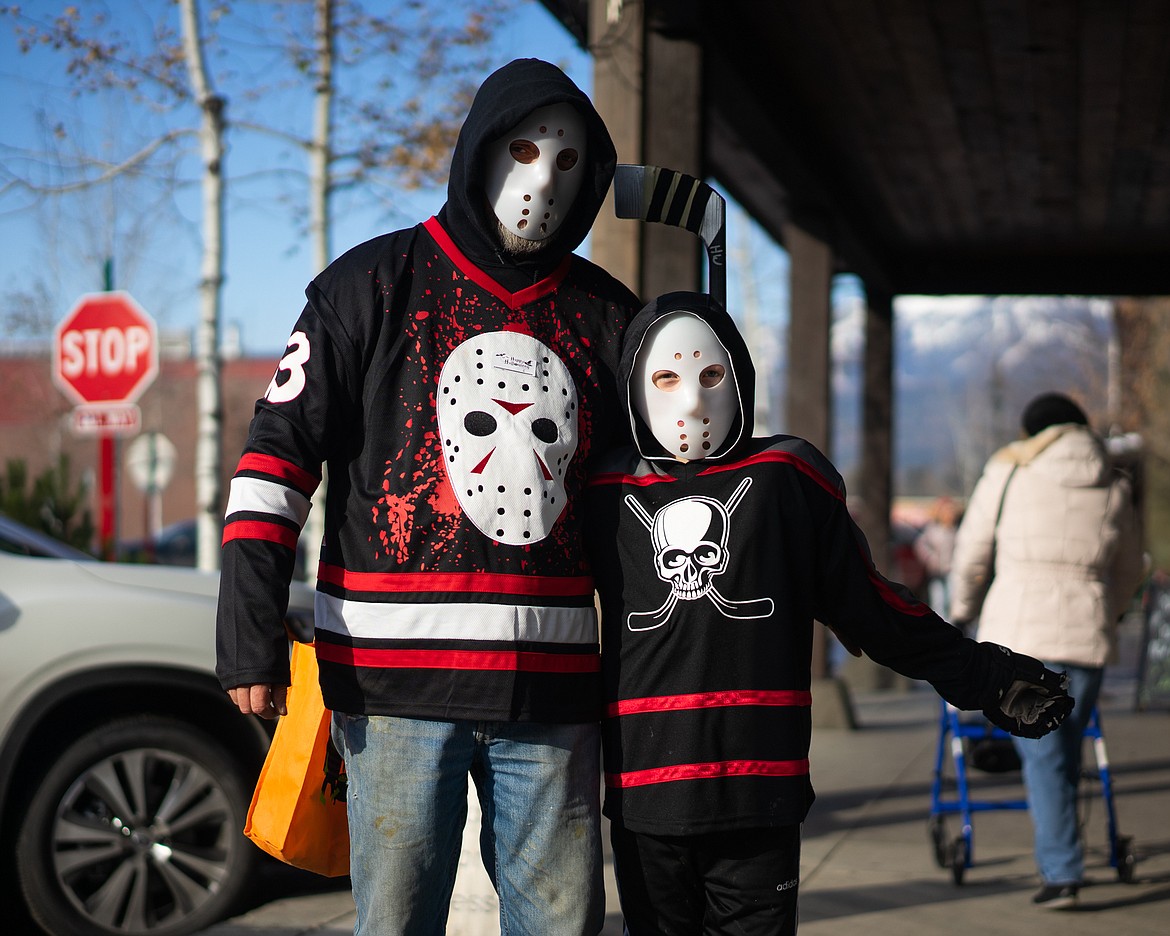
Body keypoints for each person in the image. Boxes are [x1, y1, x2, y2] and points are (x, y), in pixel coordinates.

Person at [215, 58, 641, 936]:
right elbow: (275, 461)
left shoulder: (609, 317)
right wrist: (247, 638)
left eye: (569, 164)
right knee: (396, 922)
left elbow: (645, 512)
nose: (542, 180)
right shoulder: (367, 286)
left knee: (563, 928)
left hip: (554, 695)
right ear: (481, 149)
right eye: (524, 150)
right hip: (394, 690)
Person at [583, 292, 1073, 935]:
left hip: (760, 790)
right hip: (645, 795)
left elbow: (870, 606)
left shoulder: (787, 477)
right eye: (666, 378)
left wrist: (987, 677)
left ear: (739, 375)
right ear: (634, 389)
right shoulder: (602, 489)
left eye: (711, 375)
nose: (692, 402)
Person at [950, 391, 1145, 910]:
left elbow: (972, 553)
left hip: (1022, 633)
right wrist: (1108, 610)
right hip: (1087, 634)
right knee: (1061, 750)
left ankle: (1062, 873)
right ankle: (1065, 855)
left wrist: (960, 610)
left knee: (1042, 757)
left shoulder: (1010, 471)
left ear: (1033, 433)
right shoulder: (1115, 484)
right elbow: (1129, 570)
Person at [914, 495, 961, 617]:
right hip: (936, 571)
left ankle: (952, 624)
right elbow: (921, 545)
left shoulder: (956, 531)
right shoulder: (932, 530)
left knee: (951, 599)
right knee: (938, 600)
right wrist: (929, 559)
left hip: (952, 570)